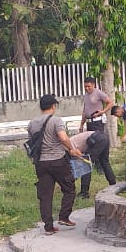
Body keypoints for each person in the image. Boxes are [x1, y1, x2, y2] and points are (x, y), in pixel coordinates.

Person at [27, 94, 83, 234]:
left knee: (45, 195)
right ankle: (64, 216)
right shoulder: (56, 120)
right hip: (57, 160)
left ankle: (48, 227)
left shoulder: (32, 123)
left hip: (41, 163)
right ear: (53, 106)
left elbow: (32, 144)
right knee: (69, 188)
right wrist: (72, 149)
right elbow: (63, 137)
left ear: (41, 107)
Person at [69, 127, 117, 198]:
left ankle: (84, 193)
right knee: (105, 162)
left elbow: (77, 156)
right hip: (103, 137)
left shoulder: (68, 145)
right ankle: (113, 184)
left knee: (86, 165)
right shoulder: (71, 141)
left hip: (97, 139)